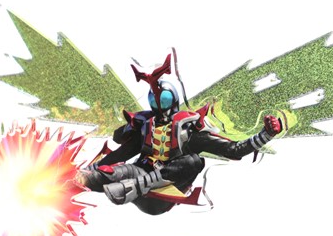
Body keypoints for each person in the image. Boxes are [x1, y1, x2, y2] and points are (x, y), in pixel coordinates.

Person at [79, 54, 282, 215]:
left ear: (173, 99)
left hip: (164, 194)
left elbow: (233, 149)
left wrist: (266, 134)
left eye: (164, 100)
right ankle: (72, 182)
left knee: (194, 161)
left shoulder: (188, 129)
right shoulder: (146, 125)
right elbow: (122, 153)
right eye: (155, 101)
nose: (160, 107)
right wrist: (90, 171)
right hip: (136, 182)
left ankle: (137, 185)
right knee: (111, 172)